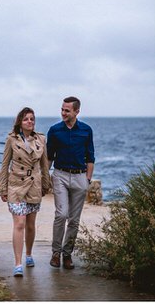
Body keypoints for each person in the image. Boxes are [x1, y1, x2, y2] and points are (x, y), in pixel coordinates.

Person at [0, 107, 51, 277]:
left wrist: (45, 185)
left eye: (32, 119)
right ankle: (18, 263)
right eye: (26, 119)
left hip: (34, 186)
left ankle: (29, 254)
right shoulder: (11, 140)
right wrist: (3, 188)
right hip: (16, 186)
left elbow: (44, 165)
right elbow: (5, 165)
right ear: (20, 122)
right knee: (19, 224)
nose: (30, 121)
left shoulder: (41, 139)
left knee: (30, 224)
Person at [46, 96, 94, 270]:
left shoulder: (87, 130)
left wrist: (87, 180)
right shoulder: (54, 130)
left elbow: (90, 157)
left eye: (67, 110)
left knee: (74, 220)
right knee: (61, 214)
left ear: (76, 111)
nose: (63, 113)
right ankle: (55, 253)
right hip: (60, 175)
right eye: (62, 109)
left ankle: (67, 254)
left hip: (80, 177)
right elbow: (49, 157)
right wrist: (45, 177)